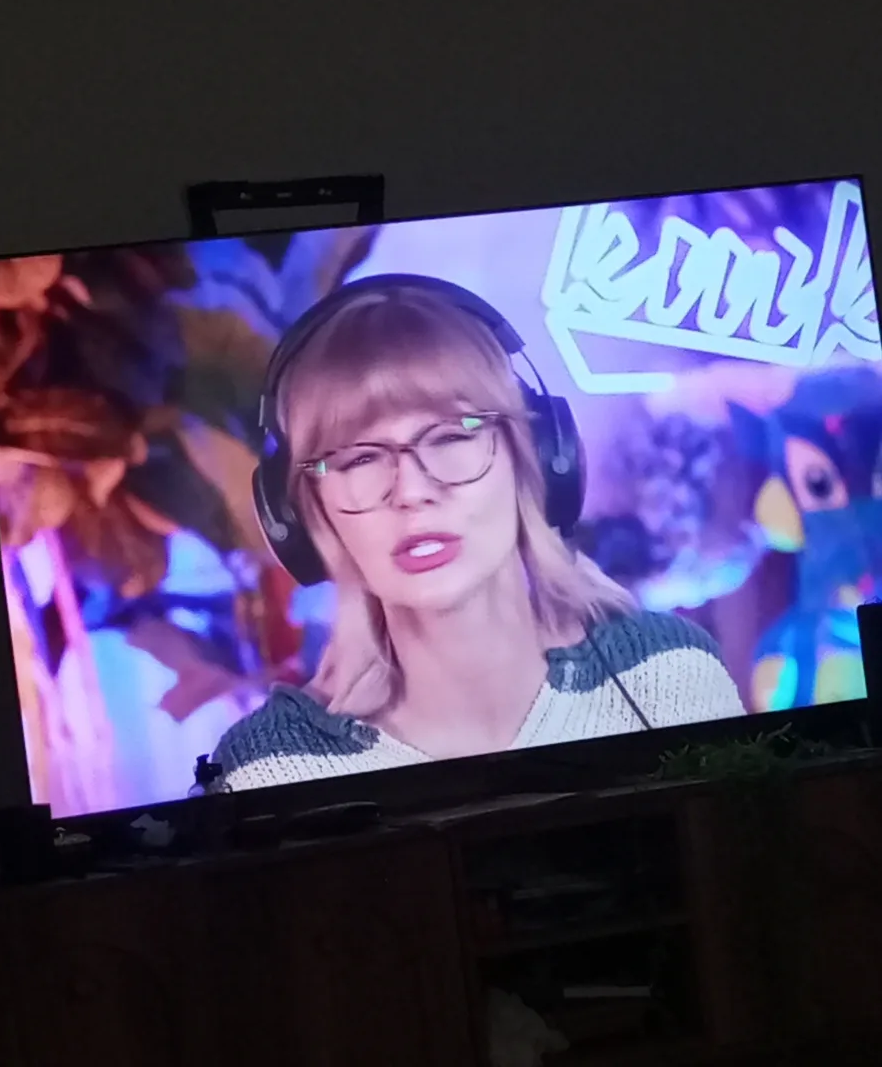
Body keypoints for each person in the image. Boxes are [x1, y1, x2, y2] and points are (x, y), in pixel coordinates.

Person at [214, 280, 744, 791]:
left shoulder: (668, 675)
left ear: (534, 456)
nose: (411, 491)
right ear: (306, 515)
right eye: (359, 459)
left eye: (451, 436)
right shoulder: (271, 769)